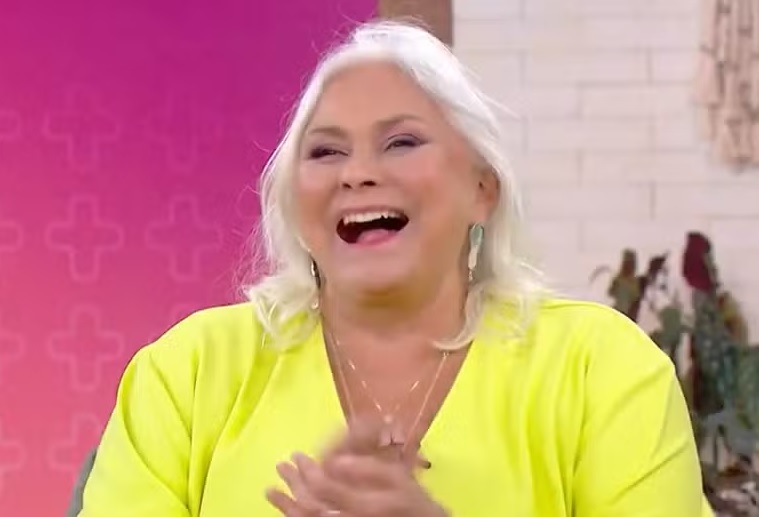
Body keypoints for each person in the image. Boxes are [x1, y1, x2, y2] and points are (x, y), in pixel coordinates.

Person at [77, 20, 711, 517]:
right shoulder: (188, 372)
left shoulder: (603, 369)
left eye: (401, 142)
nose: (357, 173)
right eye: (325, 151)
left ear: (483, 189)